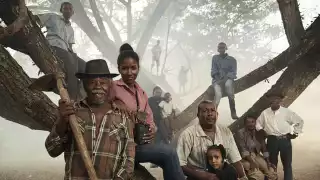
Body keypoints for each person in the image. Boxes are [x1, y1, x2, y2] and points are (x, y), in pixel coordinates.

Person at [45, 59, 135, 179]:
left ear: (110, 84)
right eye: (92, 82)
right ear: (84, 84)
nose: (98, 87)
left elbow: (129, 160)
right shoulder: (71, 112)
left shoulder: (123, 116)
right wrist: (62, 120)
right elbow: (52, 150)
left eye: (103, 82)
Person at [110, 43, 185, 180]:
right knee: (169, 153)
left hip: (139, 144)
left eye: (133, 68)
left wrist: (151, 131)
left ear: (138, 68)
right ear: (119, 69)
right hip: (120, 145)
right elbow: (101, 108)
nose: (129, 72)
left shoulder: (142, 93)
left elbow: (149, 120)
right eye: (125, 68)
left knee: (168, 158)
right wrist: (114, 104)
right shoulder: (112, 87)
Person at [176, 100, 247, 180]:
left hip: (222, 176)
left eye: (212, 110)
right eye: (205, 111)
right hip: (196, 177)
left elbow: (235, 160)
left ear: (217, 114)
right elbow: (179, 164)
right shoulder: (187, 135)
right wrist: (202, 175)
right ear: (198, 115)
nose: (210, 114)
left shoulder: (225, 131)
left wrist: (244, 177)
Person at [35, 2, 86, 100]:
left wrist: (75, 56)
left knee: (87, 67)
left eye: (69, 9)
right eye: (65, 8)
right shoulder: (53, 17)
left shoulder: (71, 29)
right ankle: (73, 97)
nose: (67, 10)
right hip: (54, 47)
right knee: (70, 62)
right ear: (61, 10)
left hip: (67, 51)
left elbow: (70, 46)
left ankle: (82, 93)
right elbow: (37, 19)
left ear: (72, 12)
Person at [256, 92, 304, 180]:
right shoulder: (265, 113)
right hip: (271, 141)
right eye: (271, 100)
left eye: (276, 99)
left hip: (284, 140)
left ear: (280, 101)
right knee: (271, 164)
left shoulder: (286, 112)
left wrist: (295, 133)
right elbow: (258, 123)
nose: (273, 101)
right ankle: (271, 178)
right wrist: (261, 130)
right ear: (269, 101)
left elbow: (299, 121)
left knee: (287, 164)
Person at [235, 115, 277, 180]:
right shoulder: (240, 133)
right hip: (245, 157)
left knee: (270, 172)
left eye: (252, 122)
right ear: (245, 124)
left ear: (255, 123)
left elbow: (264, 149)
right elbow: (243, 150)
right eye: (248, 122)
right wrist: (252, 162)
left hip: (257, 155)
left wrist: (268, 161)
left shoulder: (259, 133)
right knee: (258, 175)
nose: (251, 124)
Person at [211, 42, 238, 119]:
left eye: (223, 47)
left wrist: (225, 79)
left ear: (226, 48)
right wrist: (218, 79)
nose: (221, 49)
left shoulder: (232, 60)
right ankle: (213, 114)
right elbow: (213, 70)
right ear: (218, 49)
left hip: (228, 79)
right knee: (218, 95)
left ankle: (233, 112)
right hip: (217, 80)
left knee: (229, 88)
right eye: (219, 48)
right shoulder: (215, 58)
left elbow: (233, 72)